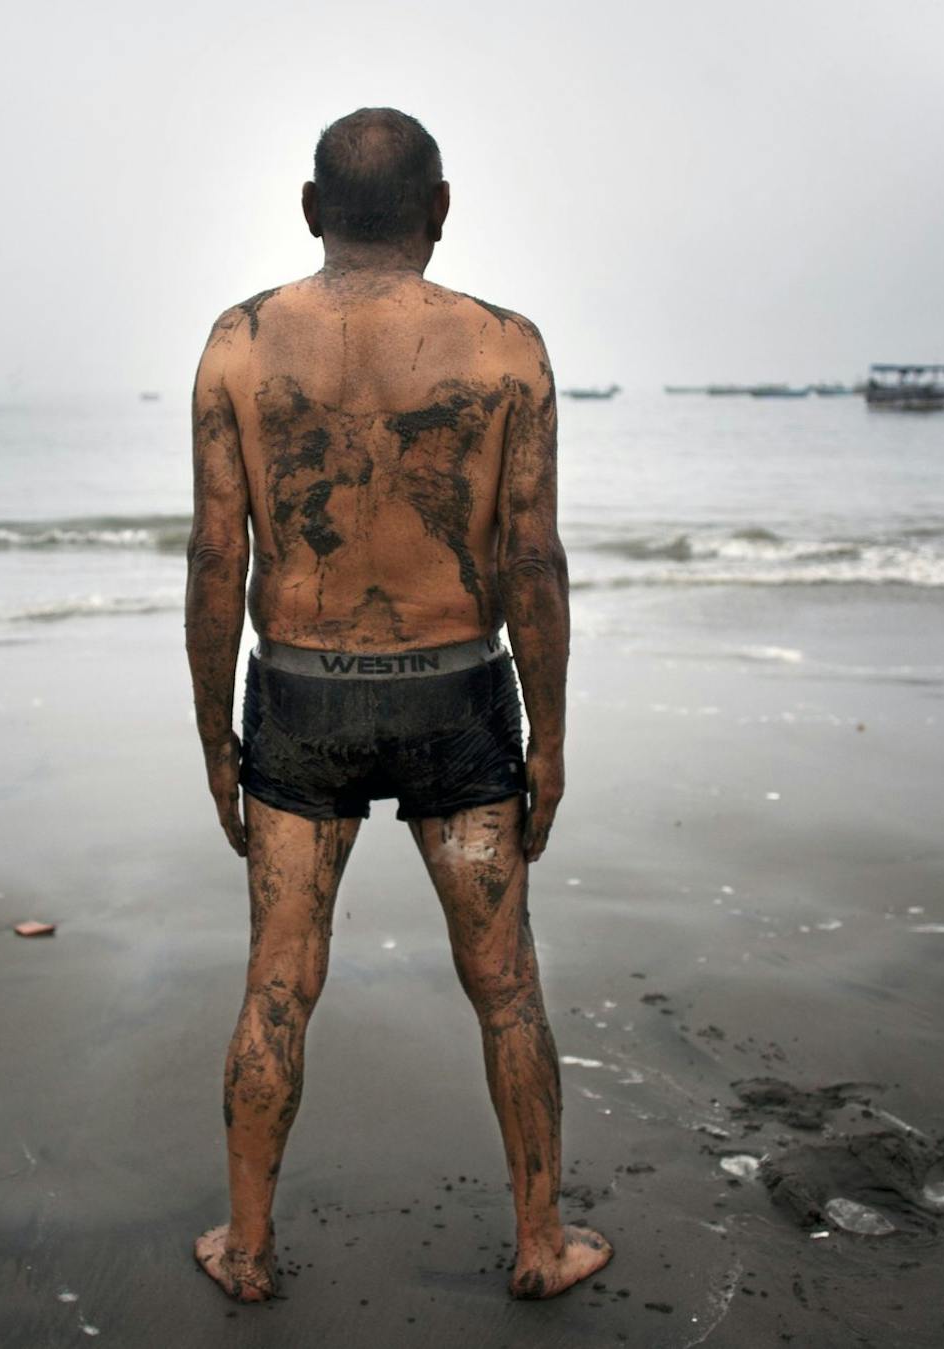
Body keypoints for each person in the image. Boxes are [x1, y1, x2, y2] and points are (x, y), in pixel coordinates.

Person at [184, 107, 610, 1304]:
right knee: (506, 983)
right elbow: (534, 560)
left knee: (279, 979)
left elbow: (218, 561)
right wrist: (555, 736)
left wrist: (218, 736)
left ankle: (249, 1248)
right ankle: (539, 1242)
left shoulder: (238, 344)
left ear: (314, 210)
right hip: (457, 698)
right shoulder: (509, 349)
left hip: (302, 699)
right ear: (439, 211)